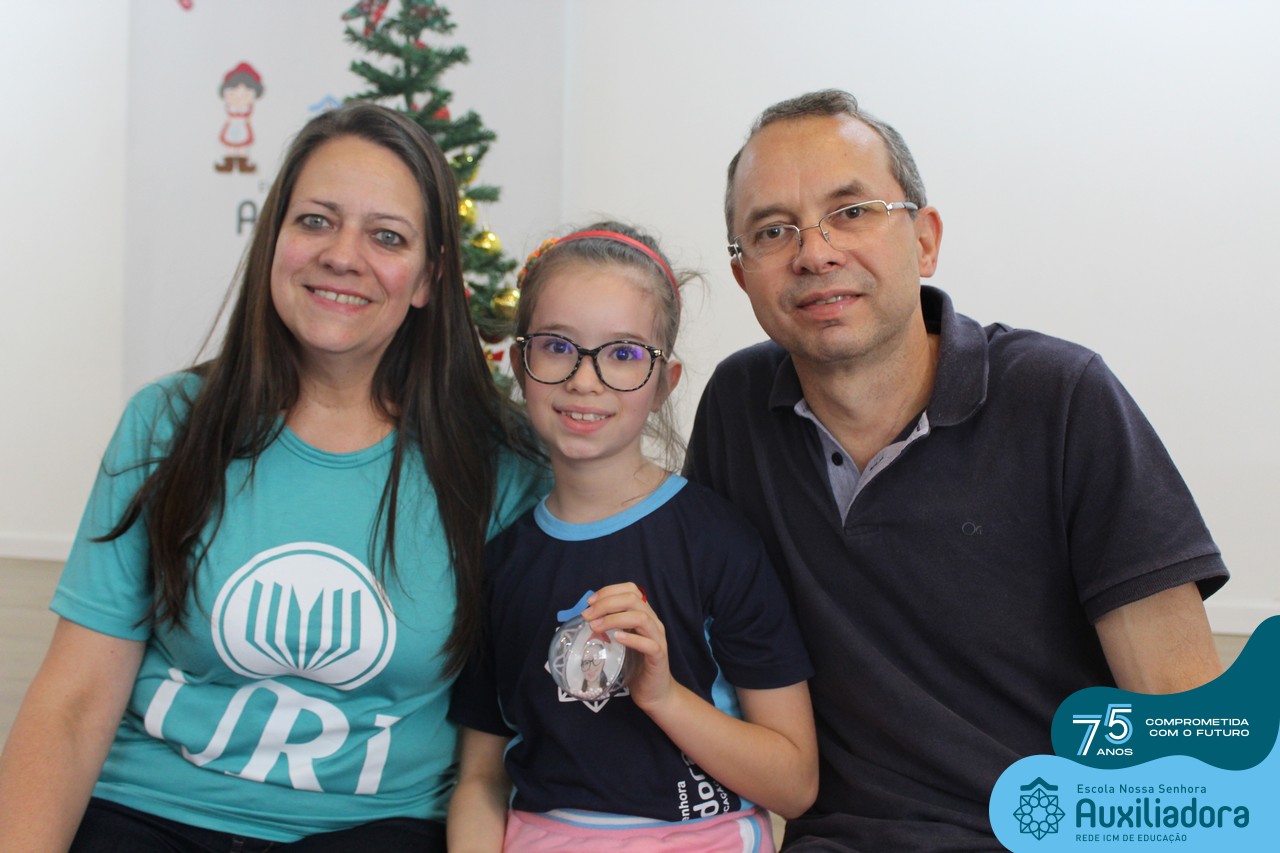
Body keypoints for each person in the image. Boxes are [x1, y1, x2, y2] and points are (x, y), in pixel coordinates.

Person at [683, 89, 1230, 851]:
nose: (815, 253)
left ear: (925, 240)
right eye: (773, 231)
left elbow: (1183, 717)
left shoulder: (1062, 398)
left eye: (852, 211)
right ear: (744, 276)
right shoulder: (737, 408)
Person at [0, 102, 545, 851]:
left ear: (429, 278)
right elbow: (72, 702)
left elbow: (512, 736)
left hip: (373, 829)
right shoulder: (167, 423)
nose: (342, 255)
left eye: (386, 236)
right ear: (274, 241)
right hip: (147, 811)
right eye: (316, 221)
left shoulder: (502, 462)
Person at [447, 224, 819, 851]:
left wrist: (664, 696)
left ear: (664, 383)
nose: (584, 380)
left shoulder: (719, 544)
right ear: (518, 363)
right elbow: (481, 781)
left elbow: (795, 785)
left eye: (622, 354)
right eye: (556, 346)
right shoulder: (500, 564)